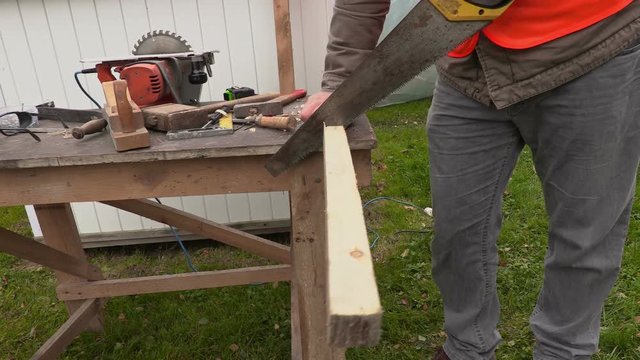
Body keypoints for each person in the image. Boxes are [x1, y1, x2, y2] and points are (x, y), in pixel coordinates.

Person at [301, 1, 640, 359]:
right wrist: (341, 83)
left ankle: (564, 351)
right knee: (457, 229)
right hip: (469, 61)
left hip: (591, 45)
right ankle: (467, 348)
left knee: (585, 232)